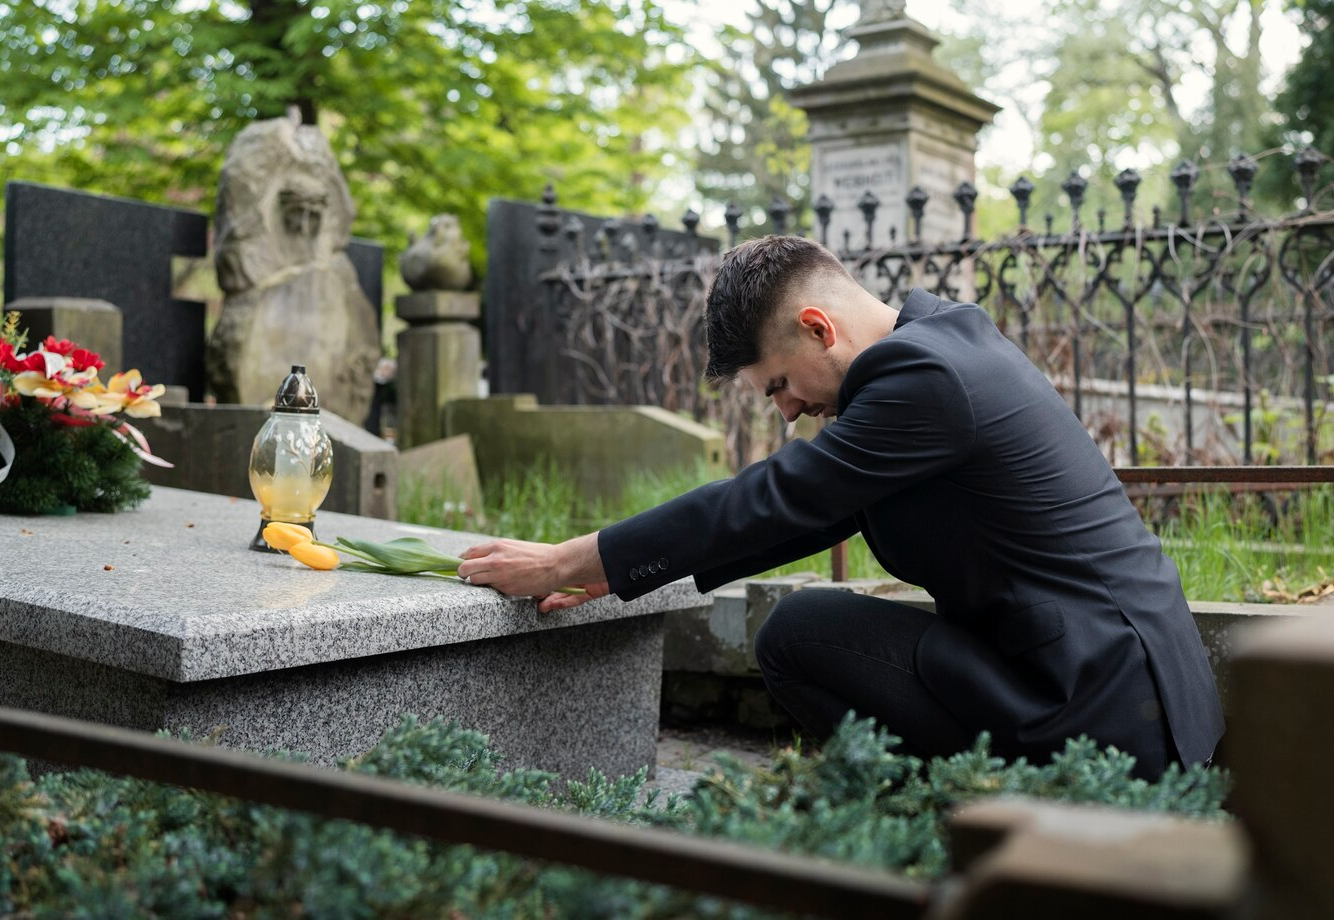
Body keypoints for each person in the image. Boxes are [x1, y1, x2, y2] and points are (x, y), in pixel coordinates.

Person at [457, 235, 1224, 779]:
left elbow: (782, 494)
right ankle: (940, 809)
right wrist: (618, 570)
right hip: (1112, 679)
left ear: (818, 329)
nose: (786, 412)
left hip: (1103, 705)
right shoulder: (942, 342)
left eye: (778, 385)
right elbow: (814, 510)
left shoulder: (925, 377)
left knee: (799, 634)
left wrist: (567, 558)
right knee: (809, 625)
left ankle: (939, 820)